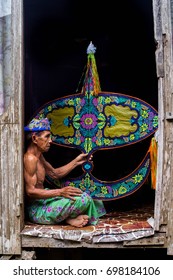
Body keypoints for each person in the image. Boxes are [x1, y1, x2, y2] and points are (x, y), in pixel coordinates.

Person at [24, 117, 106, 227]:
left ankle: (68, 218)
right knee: (83, 200)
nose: (50, 141)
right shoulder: (30, 159)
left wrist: (77, 161)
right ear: (35, 138)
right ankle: (68, 219)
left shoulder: (39, 156)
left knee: (89, 197)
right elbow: (30, 191)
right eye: (47, 136)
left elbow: (54, 174)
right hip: (36, 209)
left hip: (44, 200)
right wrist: (60, 192)